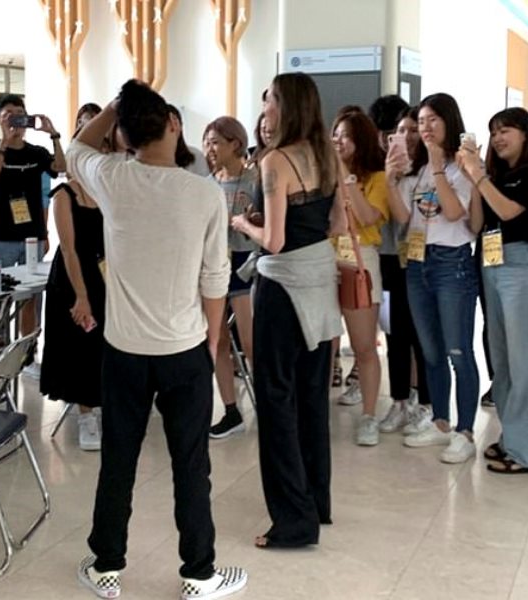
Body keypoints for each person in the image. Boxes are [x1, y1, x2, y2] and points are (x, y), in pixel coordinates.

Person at [67, 80, 246, 600]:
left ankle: (107, 568)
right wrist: (209, 340)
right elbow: (216, 277)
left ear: (124, 135)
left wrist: (115, 107)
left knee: (118, 459)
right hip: (184, 349)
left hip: (124, 351)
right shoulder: (204, 193)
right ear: (173, 124)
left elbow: (76, 146)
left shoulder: (113, 177)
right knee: (191, 464)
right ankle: (199, 574)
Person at [232, 72, 344, 548]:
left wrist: (244, 225)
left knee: (276, 398)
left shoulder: (275, 160)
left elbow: (274, 241)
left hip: (282, 286)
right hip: (320, 281)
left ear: (288, 106)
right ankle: (316, 502)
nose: (265, 106)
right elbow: (336, 224)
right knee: (312, 396)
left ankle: (293, 520)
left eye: (272, 99)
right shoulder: (328, 154)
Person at [457, 107, 528, 473]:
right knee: (503, 362)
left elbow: (511, 212)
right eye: (494, 132)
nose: (498, 138)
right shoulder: (494, 176)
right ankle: (513, 438)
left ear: (525, 133)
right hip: (491, 264)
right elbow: (477, 223)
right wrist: (474, 180)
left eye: (506, 130)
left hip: (522, 265)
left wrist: (479, 176)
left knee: (525, 361)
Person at [385, 92, 479, 464]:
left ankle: (465, 431)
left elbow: (454, 213)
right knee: (431, 352)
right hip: (417, 263)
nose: (424, 128)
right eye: (421, 121)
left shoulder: (461, 166)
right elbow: (403, 218)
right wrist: (391, 181)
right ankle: (441, 422)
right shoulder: (419, 169)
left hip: (452, 263)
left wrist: (439, 167)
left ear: (449, 121)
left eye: (432, 120)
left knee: (458, 351)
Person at [0, 94, 65, 376]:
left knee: (31, 297)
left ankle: (27, 353)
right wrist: (5, 142)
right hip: (0, 235)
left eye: (19, 113)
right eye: (8, 114)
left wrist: (54, 135)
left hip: (31, 236)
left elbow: (60, 167)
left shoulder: (36, 153)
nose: (15, 119)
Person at [331, 110, 388, 446]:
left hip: (361, 260)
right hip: (326, 259)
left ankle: (369, 416)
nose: (338, 141)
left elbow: (367, 217)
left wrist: (345, 176)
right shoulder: (323, 174)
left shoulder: (377, 178)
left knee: (364, 345)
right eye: (336, 134)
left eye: (346, 136)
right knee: (323, 342)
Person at [40, 171, 105, 451]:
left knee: (101, 345)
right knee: (80, 346)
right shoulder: (64, 195)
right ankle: (85, 415)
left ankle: (100, 403)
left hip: (102, 275)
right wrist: (81, 296)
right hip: (72, 279)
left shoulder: (105, 189)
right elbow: (68, 249)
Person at [377, 107, 433, 435]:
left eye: (414, 129)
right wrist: (389, 177)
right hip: (390, 261)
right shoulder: (386, 172)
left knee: (423, 337)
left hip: (423, 259)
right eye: (401, 130)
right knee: (394, 335)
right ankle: (399, 401)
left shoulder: (429, 172)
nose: (407, 136)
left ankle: (427, 404)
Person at [203, 116, 258, 439]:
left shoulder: (255, 180)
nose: (210, 149)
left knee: (250, 342)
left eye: (216, 142)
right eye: (207, 142)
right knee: (218, 340)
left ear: (235, 143)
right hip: (214, 263)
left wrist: (248, 222)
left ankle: (270, 405)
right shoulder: (207, 184)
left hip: (244, 262)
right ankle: (231, 410)